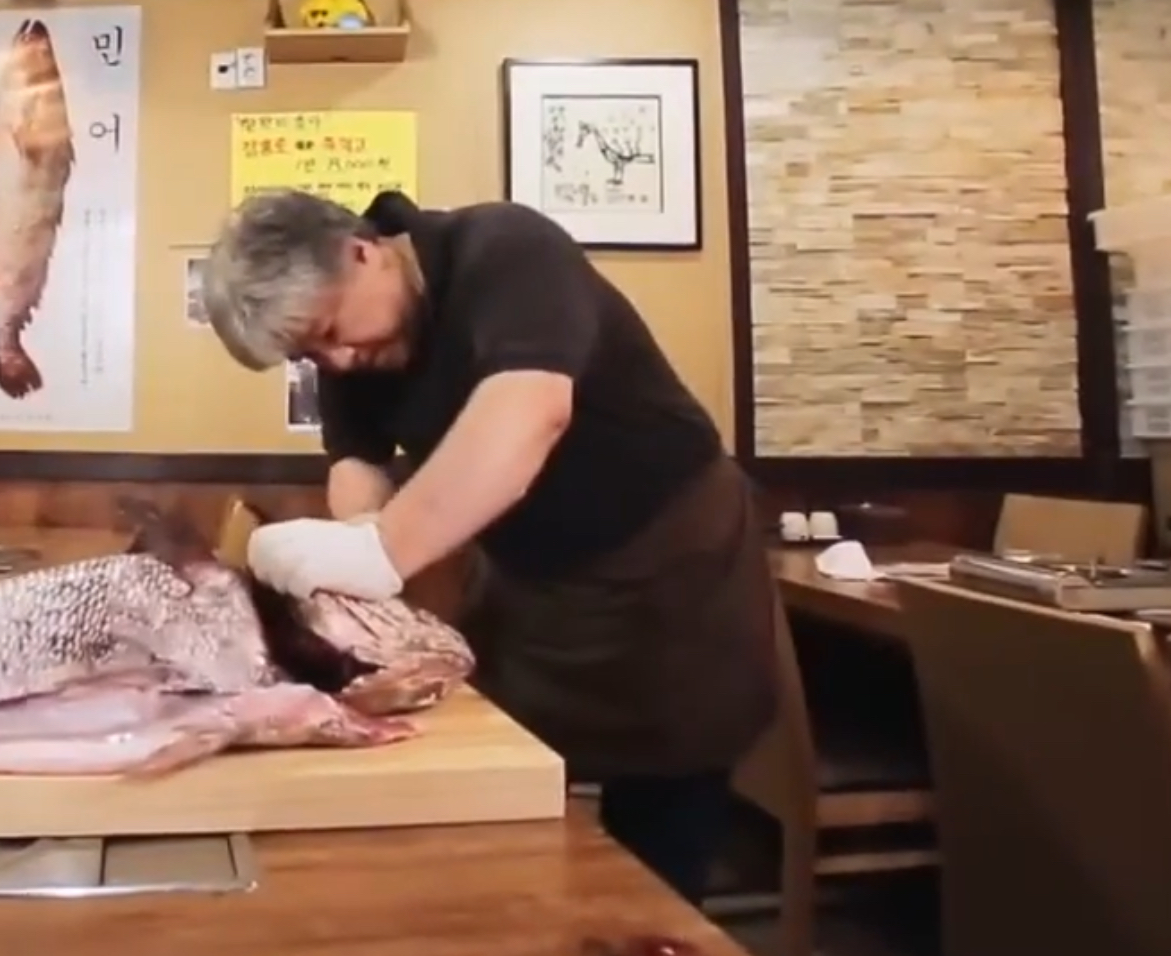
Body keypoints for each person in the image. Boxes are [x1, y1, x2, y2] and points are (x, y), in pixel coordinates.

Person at [199, 187, 777, 905]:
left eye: (330, 329)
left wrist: (383, 551)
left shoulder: (505, 250)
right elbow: (357, 463)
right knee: (510, 793)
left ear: (361, 250)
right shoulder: (353, 357)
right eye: (311, 351)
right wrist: (354, 564)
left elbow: (531, 411)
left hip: (672, 563)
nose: (337, 358)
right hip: (535, 579)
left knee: (660, 823)